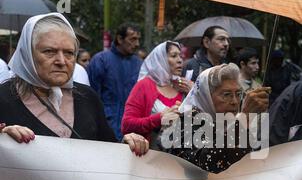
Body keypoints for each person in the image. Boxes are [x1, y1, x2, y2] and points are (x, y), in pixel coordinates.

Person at [0, 13, 148, 157]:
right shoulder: (4, 98)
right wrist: (3, 139)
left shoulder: (87, 97)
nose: (61, 61)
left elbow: (108, 150)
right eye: (49, 51)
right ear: (28, 55)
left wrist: (128, 144)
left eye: (69, 53)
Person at [159, 63, 269, 174]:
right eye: (227, 95)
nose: (235, 102)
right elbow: (206, 164)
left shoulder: (231, 123)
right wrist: (244, 118)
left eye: (238, 94)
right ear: (206, 96)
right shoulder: (184, 122)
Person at [121, 41, 192, 149]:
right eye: (174, 56)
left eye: (180, 56)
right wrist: (160, 118)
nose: (180, 60)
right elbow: (126, 125)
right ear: (160, 59)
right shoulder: (144, 85)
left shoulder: (184, 86)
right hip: (150, 156)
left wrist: (193, 92)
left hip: (180, 159)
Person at [87, 23, 143, 140]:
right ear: (120, 39)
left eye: (138, 39)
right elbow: (92, 97)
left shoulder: (139, 64)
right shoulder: (100, 60)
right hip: (105, 127)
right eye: (133, 39)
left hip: (132, 129)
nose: (137, 44)